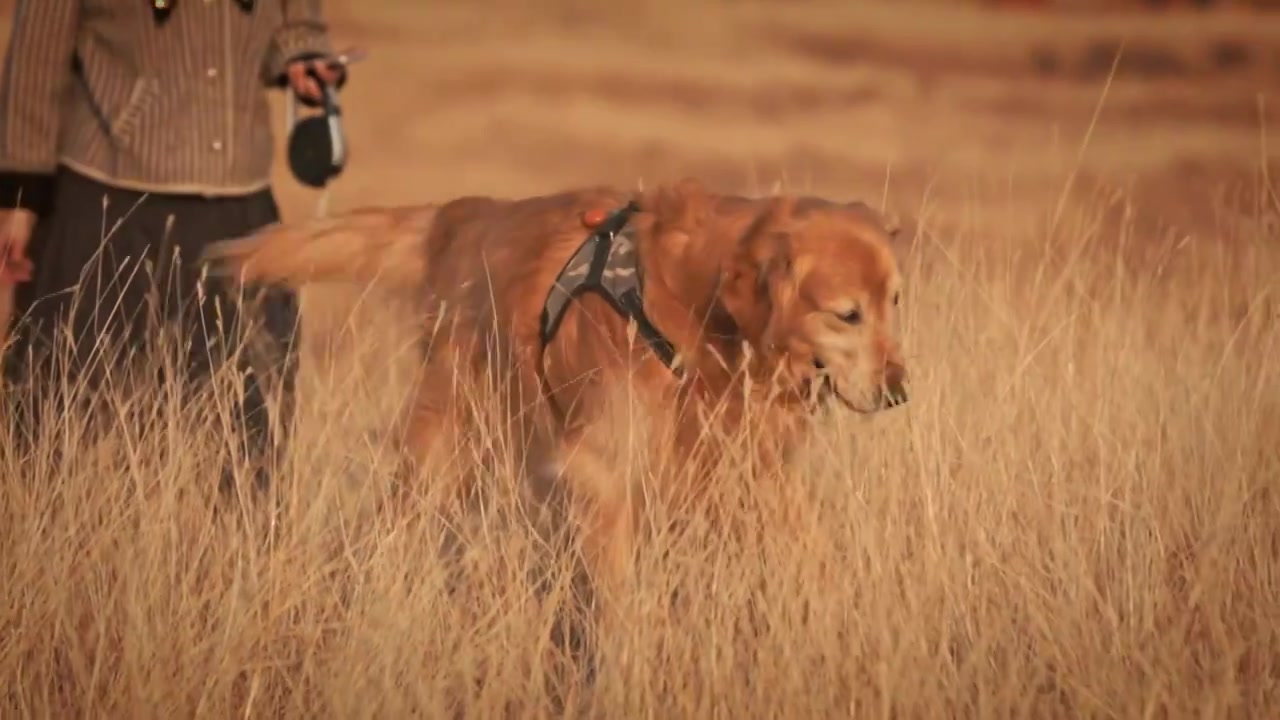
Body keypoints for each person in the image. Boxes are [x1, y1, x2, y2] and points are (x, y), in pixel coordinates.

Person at [0, 0, 347, 483]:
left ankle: (224, 556)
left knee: (244, 434)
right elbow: (36, 57)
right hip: (109, 198)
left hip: (241, 201)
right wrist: (21, 196)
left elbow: (296, 18)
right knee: (71, 423)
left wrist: (302, 53)